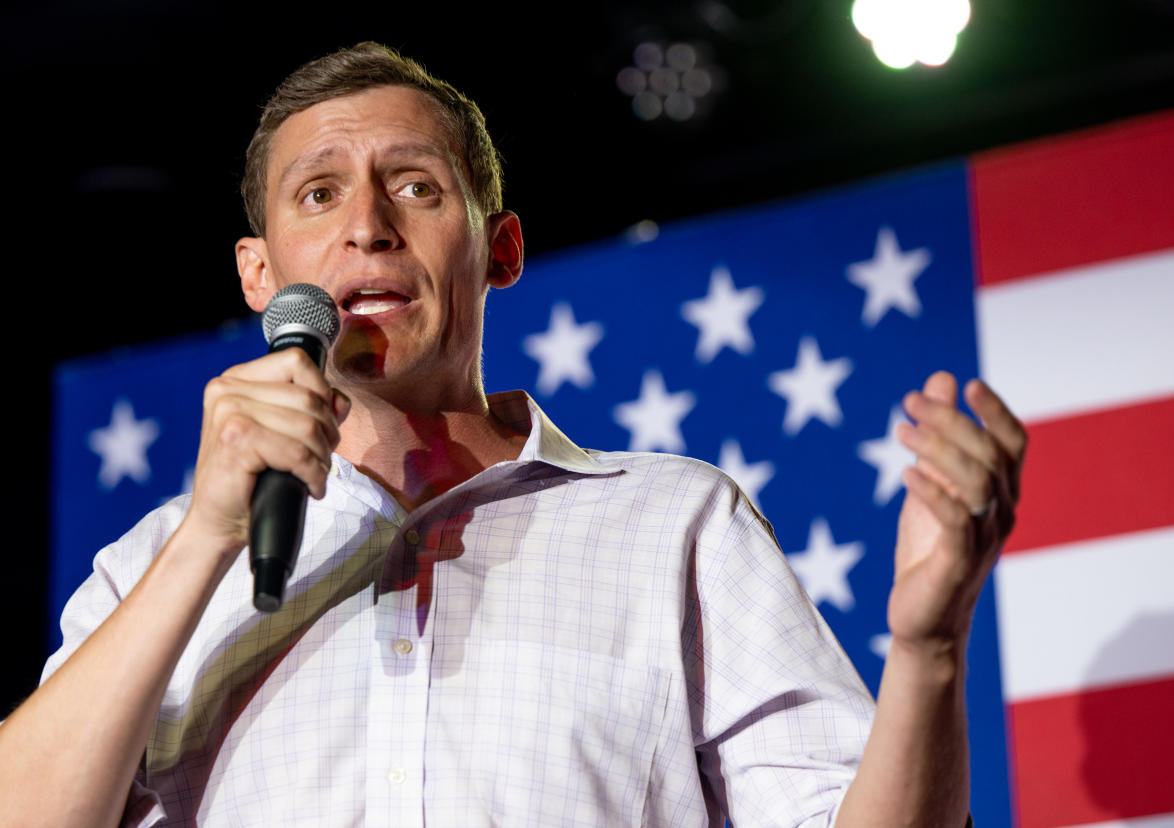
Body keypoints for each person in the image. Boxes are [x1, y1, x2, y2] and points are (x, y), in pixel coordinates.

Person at [0, 42, 1025, 827]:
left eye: (414, 185)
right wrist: (205, 541)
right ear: (259, 277)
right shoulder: (150, 565)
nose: (368, 225)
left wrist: (929, 650)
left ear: (500, 248)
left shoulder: (674, 525)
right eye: (319, 194)